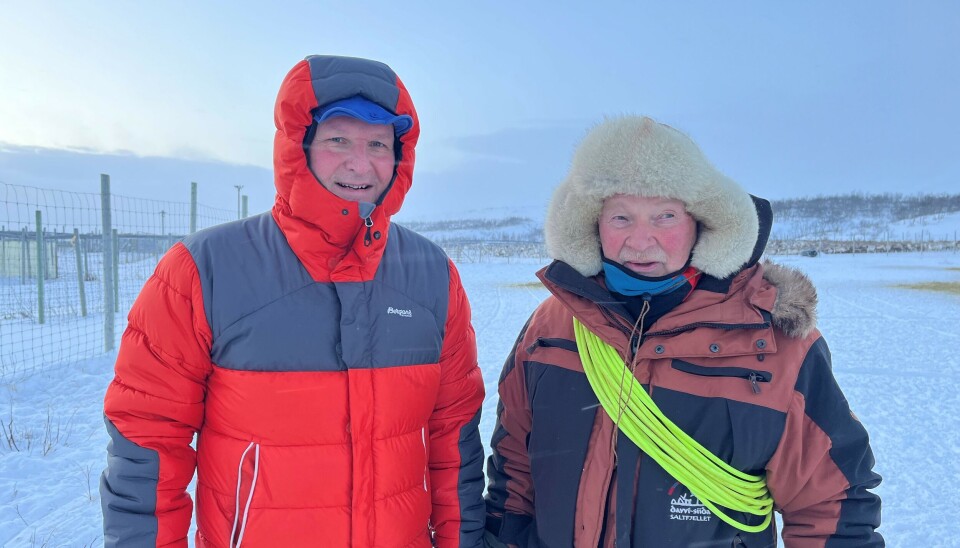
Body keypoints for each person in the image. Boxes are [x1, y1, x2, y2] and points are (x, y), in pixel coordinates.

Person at [100, 55, 486, 547]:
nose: (359, 162)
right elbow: (148, 442)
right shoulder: (203, 270)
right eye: (338, 140)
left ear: (400, 155)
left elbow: (455, 443)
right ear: (298, 145)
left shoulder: (433, 276)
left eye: (378, 144)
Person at [483, 116, 883, 547]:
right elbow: (514, 478)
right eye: (620, 217)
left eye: (665, 216)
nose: (640, 241)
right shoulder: (552, 326)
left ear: (702, 222)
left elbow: (832, 506)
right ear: (592, 223)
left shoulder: (776, 346)